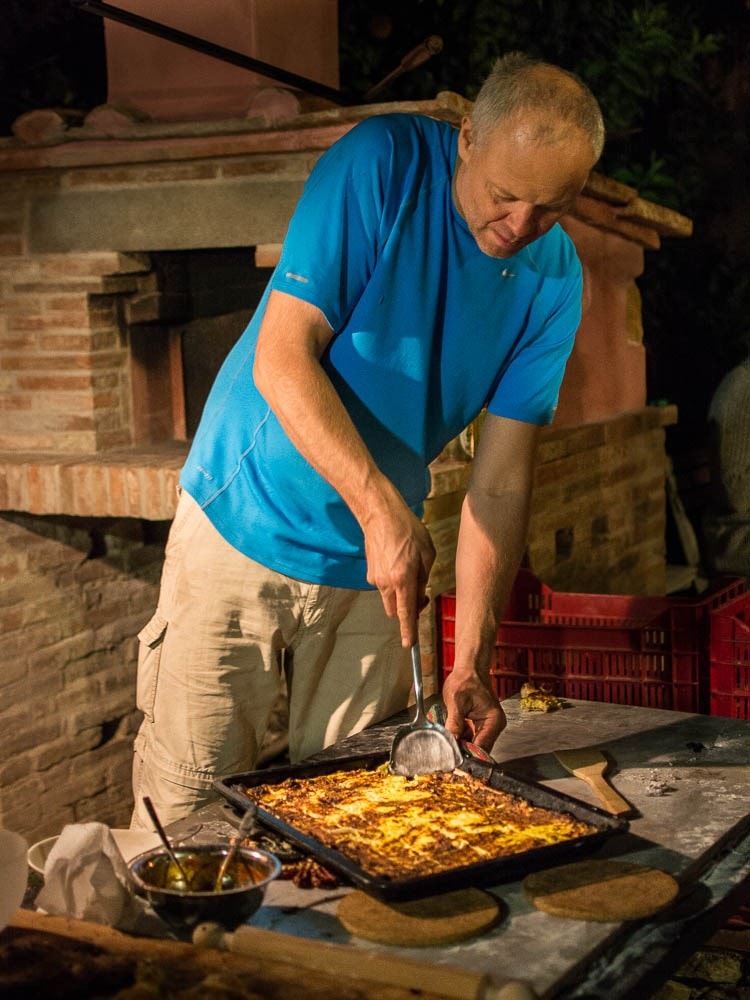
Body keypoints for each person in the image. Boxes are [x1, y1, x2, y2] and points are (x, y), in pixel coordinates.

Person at [130, 51, 605, 828]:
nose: (520, 227)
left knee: (361, 808)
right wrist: (383, 511)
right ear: (467, 138)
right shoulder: (381, 164)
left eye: (549, 208)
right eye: (504, 195)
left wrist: (471, 661)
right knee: (185, 810)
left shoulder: (555, 280)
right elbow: (282, 356)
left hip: (375, 572)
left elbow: (501, 482)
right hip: (242, 522)